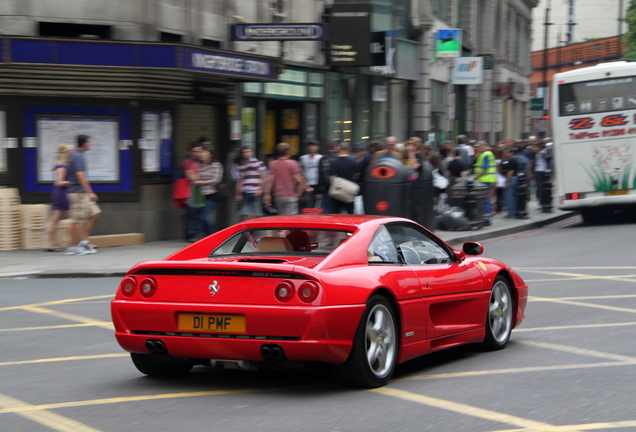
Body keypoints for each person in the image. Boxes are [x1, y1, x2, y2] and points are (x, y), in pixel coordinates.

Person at [64, 135, 101, 255]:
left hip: (82, 192)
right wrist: (90, 192)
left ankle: (84, 242)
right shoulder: (77, 156)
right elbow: (80, 176)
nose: (90, 144)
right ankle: (78, 245)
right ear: (84, 143)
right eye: (88, 142)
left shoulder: (80, 155)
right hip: (77, 192)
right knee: (78, 219)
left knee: (94, 213)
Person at [264, 143, 312, 215]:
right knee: (290, 220)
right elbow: (299, 181)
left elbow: (270, 181)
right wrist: (298, 194)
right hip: (290, 196)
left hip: (278, 197)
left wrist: (267, 195)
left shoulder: (272, 164)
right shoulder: (293, 163)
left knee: (280, 218)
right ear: (287, 152)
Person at [45, 143, 73, 252]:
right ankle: (76, 242)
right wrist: (71, 182)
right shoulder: (63, 166)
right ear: (66, 153)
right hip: (62, 194)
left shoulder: (60, 164)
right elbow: (59, 182)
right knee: (74, 218)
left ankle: (49, 244)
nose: (72, 153)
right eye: (70, 151)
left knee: (55, 219)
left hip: (58, 193)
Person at [191, 147, 223, 237]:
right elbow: (195, 177)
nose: (201, 154)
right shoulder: (200, 165)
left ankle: (213, 236)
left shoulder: (216, 165)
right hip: (201, 195)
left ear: (210, 154)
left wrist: (200, 182)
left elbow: (216, 180)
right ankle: (212, 236)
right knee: (201, 218)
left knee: (204, 217)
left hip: (212, 194)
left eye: (204, 152)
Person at [235, 147, 267, 221]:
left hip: (256, 191)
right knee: (244, 213)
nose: (246, 154)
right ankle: (249, 231)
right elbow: (240, 180)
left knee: (257, 213)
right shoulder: (242, 165)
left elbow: (264, 177)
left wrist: (260, 189)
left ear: (252, 153)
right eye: (244, 152)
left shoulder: (259, 163)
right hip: (245, 191)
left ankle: (258, 231)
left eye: (248, 152)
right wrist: (238, 194)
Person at [472, 141, 497, 226]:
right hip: (487, 179)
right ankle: (486, 218)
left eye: (478, 146)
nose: (477, 148)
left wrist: (475, 176)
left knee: (485, 200)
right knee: (486, 199)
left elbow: (485, 169)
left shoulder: (486, 155)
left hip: (484, 180)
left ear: (483, 146)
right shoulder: (486, 154)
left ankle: (486, 219)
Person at [182, 141, 203, 241]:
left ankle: (196, 234)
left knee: (198, 215)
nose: (196, 154)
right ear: (191, 152)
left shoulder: (201, 162)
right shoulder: (188, 162)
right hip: (190, 192)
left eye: (198, 151)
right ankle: (191, 235)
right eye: (194, 151)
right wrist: (204, 176)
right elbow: (191, 177)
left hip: (200, 192)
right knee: (191, 214)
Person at [330, 141, 358, 214]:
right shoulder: (353, 161)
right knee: (350, 213)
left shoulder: (333, 162)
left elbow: (332, 177)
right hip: (349, 191)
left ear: (339, 149)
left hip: (337, 191)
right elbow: (356, 175)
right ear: (349, 150)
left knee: (335, 214)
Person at [299, 140, 323, 209]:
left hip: (317, 184)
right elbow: (301, 171)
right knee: (307, 204)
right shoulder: (303, 158)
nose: (312, 147)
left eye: (314, 146)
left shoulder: (321, 158)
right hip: (306, 184)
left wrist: (320, 189)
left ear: (318, 147)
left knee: (317, 205)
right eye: (310, 146)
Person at [318, 140, 340, 213]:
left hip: (327, 187)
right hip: (338, 187)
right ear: (335, 147)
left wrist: (319, 190)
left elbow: (320, 175)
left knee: (327, 207)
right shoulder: (338, 157)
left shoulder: (323, 158)